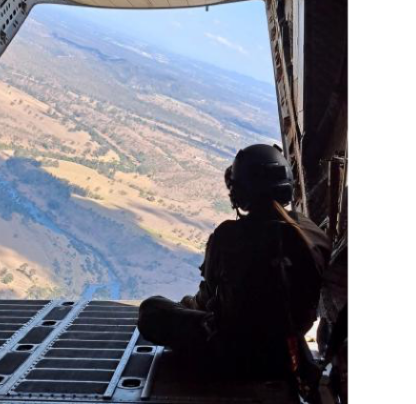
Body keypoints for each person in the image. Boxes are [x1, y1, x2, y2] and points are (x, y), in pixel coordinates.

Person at [137, 144, 331, 378]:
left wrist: (186, 309)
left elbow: (206, 299)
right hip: (286, 354)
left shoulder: (228, 237)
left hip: (234, 353)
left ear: (239, 194)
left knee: (151, 310)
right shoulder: (313, 234)